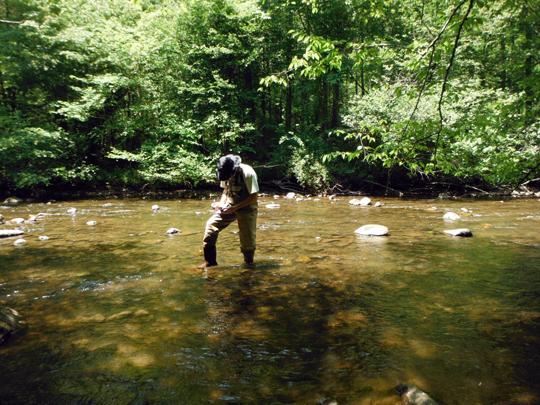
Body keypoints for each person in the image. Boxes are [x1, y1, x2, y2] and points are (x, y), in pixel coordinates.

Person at [200, 154, 259, 268]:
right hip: (229, 205)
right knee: (210, 226)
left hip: (247, 206)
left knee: (247, 240)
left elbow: (254, 197)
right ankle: (210, 262)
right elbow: (225, 191)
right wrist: (221, 205)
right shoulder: (224, 171)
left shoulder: (248, 173)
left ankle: (249, 265)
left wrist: (235, 208)